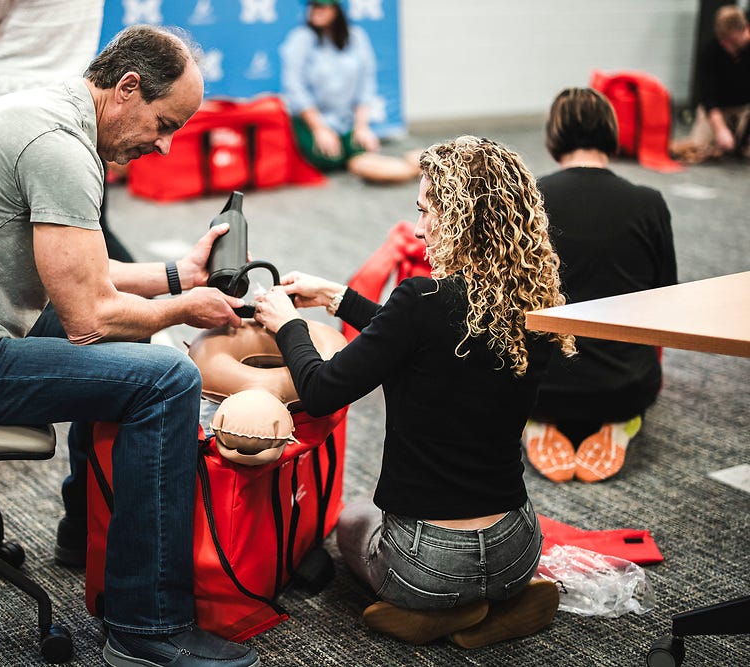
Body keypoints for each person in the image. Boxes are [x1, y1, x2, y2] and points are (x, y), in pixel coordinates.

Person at [0, 25, 259, 667]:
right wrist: (185, 309)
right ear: (126, 89)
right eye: (163, 123)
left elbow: (78, 269)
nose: (165, 143)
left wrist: (179, 276)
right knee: (165, 380)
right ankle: (145, 627)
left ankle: (85, 535)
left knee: (140, 353)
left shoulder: (52, 115)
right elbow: (89, 314)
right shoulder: (59, 148)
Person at [253, 136, 575, 648]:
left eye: (428, 211)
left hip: (428, 561)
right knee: (491, 550)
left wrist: (288, 324)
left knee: (354, 517)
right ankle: (499, 601)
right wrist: (340, 298)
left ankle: (436, 610)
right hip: (518, 546)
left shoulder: (420, 301)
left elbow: (320, 390)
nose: (420, 228)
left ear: (464, 219)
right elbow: (430, 343)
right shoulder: (531, 307)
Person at [523, 88, 677, 484]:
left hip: (538, 388)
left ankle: (532, 424)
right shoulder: (649, 202)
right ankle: (621, 424)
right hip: (623, 386)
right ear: (611, 131)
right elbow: (666, 300)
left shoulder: (528, 200)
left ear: (553, 135)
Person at [0, 0, 134, 262]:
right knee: (88, 240)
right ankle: (166, 291)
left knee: (3, 247)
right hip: (73, 114)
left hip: (11, 122)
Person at [279, 0, 421, 184]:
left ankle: (414, 166)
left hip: (345, 121)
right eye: (312, 6)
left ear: (336, 10)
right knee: (331, 157)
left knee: (362, 151)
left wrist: (361, 126)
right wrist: (320, 129)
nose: (315, 11)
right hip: (311, 122)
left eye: (321, 6)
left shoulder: (357, 37)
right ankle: (409, 169)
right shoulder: (300, 38)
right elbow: (295, 89)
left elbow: (366, 84)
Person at [673, 5, 750, 162]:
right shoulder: (710, 51)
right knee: (698, 149)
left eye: (734, 41)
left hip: (745, 109)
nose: (729, 46)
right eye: (725, 41)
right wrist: (720, 129)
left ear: (745, 30)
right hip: (718, 109)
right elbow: (708, 97)